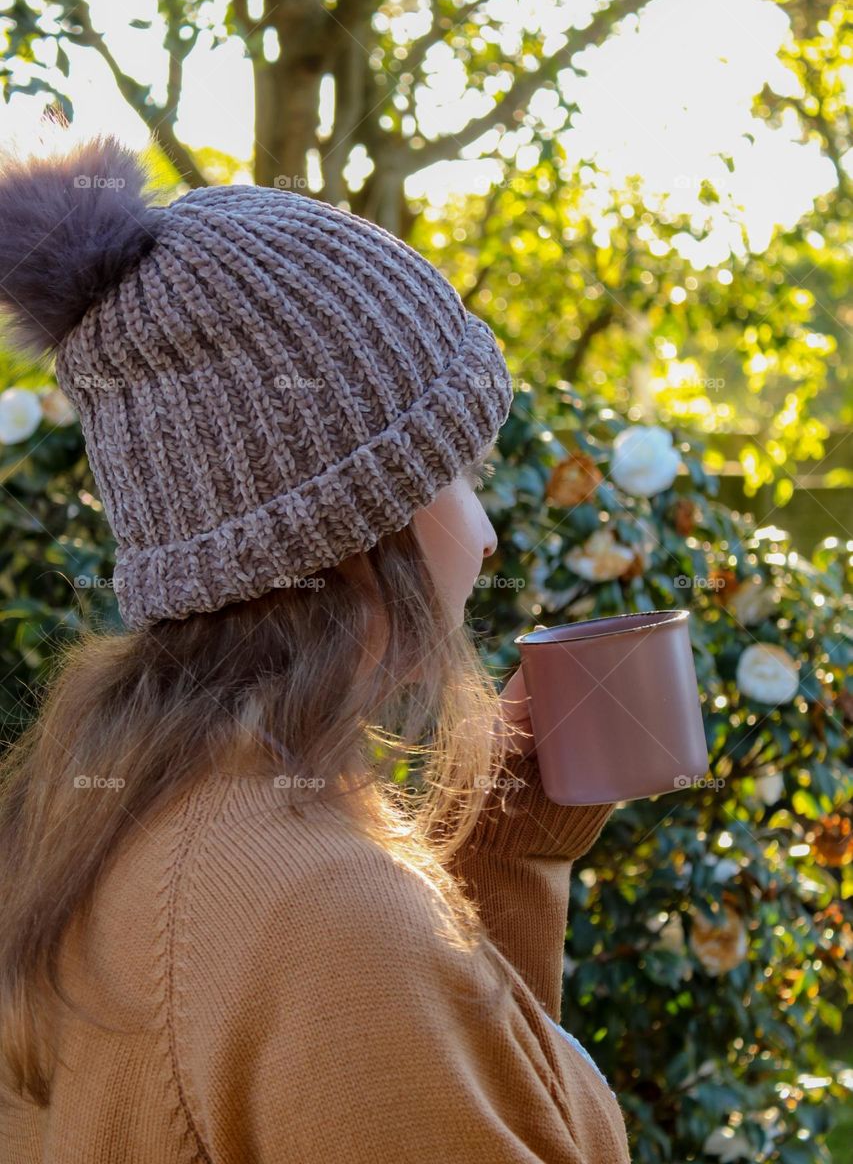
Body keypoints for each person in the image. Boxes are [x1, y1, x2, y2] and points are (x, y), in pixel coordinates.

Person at [0, 132, 631, 1162]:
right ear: (351, 528)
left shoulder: (93, 822)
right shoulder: (326, 912)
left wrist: (510, 849)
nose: (484, 533)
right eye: (457, 472)